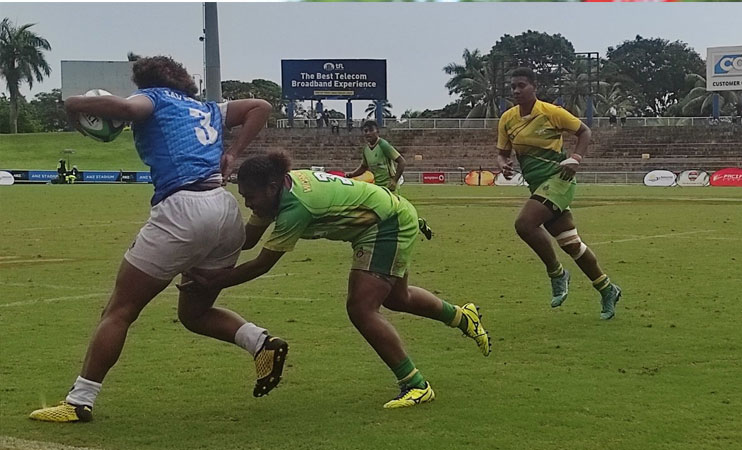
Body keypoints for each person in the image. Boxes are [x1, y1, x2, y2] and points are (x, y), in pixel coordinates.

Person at [29, 55, 282, 423]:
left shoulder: (154, 97)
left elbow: (124, 109)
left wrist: (73, 104)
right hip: (225, 211)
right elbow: (261, 107)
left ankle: (78, 401)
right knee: (194, 313)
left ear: (146, 81)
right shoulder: (207, 108)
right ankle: (260, 343)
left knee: (119, 310)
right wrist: (233, 153)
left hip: (182, 209)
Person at [178, 153, 491, 409]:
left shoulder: (295, 207)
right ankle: (462, 316)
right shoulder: (276, 192)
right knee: (398, 298)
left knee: (361, 308)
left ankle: (416, 385)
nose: (248, 204)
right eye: (244, 196)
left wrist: (212, 282)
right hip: (386, 216)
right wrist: (202, 245)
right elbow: (247, 241)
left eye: (251, 197)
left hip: (387, 225)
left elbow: (262, 264)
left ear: (272, 187)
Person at [496, 67, 621, 320]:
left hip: (559, 181)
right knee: (571, 244)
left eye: (521, 85)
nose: (516, 90)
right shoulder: (507, 119)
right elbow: (502, 153)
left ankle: (557, 274)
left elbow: (584, 131)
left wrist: (576, 158)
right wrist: (503, 164)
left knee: (524, 224)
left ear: (534, 87)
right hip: (538, 186)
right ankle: (608, 289)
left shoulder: (551, 112)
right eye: (513, 87)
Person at [345, 120, 433, 240]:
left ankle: (420, 224)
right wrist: (351, 174)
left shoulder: (383, 145)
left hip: (390, 186)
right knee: (378, 213)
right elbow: (364, 167)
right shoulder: (366, 149)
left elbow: (402, 162)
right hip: (378, 187)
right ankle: (381, 237)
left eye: (371, 130)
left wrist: (394, 181)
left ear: (377, 131)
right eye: (365, 131)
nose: (368, 133)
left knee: (396, 214)